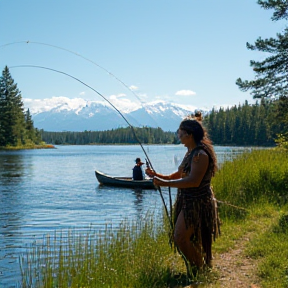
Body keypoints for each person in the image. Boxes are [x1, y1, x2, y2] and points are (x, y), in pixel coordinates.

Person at [145, 112, 220, 268]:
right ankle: (199, 268)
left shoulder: (200, 155)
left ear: (189, 135)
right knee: (187, 238)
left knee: (180, 237)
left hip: (198, 203)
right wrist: (156, 175)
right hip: (187, 202)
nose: (178, 136)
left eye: (180, 133)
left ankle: (198, 269)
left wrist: (164, 184)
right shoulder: (190, 153)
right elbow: (177, 175)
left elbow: (193, 181)